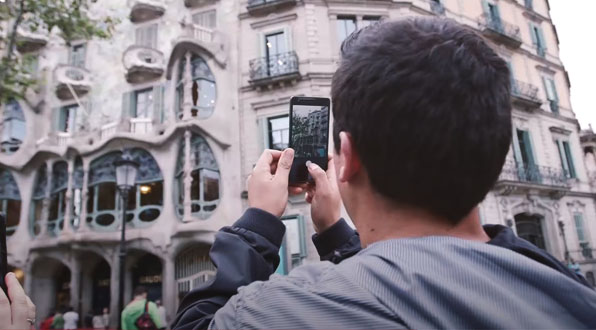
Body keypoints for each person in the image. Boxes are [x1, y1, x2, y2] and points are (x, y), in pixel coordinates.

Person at [171, 16, 596, 329]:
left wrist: (258, 222)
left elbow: (198, 322)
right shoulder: (568, 290)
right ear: (495, 149)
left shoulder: (290, 311)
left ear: (347, 157)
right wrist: (336, 233)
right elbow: (411, 279)